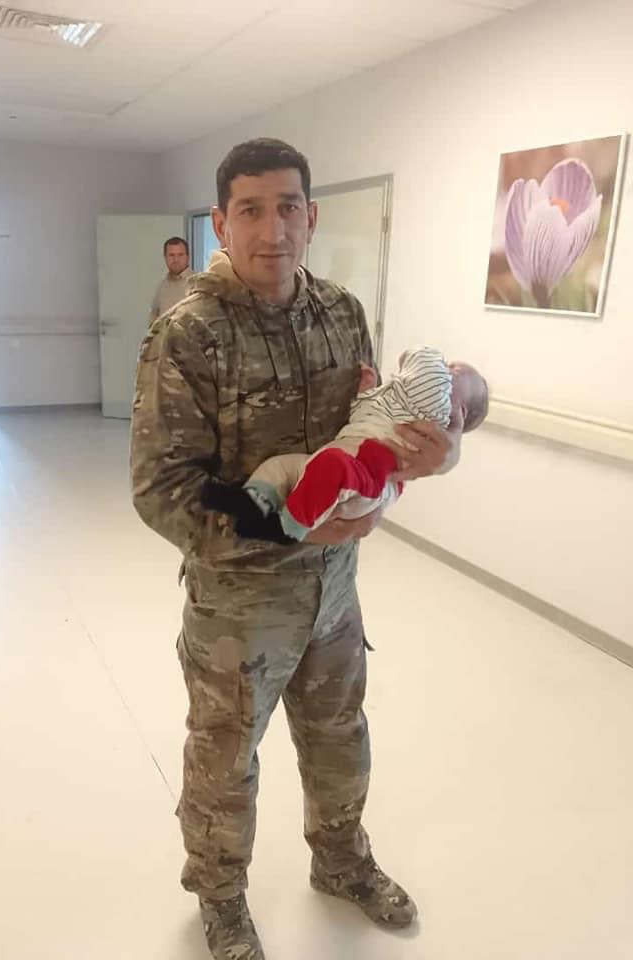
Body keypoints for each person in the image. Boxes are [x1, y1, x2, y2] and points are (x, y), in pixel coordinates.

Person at [130, 138, 462, 960]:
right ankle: (220, 899)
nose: (272, 229)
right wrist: (287, 526)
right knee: (225, 760)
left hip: (334, 593)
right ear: (221, 223)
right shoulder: (188, 334)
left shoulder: (342, 313)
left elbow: (370, 430)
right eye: (251, 210)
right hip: (239, 605)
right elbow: (161, 489)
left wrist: (426, 457)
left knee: (340, 733)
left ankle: (342, 862)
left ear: (311, 217)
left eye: (287, 208)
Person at [202, 346, 488, 543]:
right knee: (280, 468)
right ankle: (252, 502)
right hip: (340, 460)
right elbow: (367, 416)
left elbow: (422, 360)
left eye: (457, 372)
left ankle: (285, 529)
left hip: (365, 477)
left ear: (460, 412)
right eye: (449, 366)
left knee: (330, 468)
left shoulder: (436, 406)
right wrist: (367, 392)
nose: (447, 369)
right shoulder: (403, 405)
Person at [149, 236, 192, 319]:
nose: (176, 260)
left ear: (188, 256)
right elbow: (153, 317)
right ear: (165, 257)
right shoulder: (162, 286)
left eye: (180, 255)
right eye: (171, 255)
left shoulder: (200, 284)